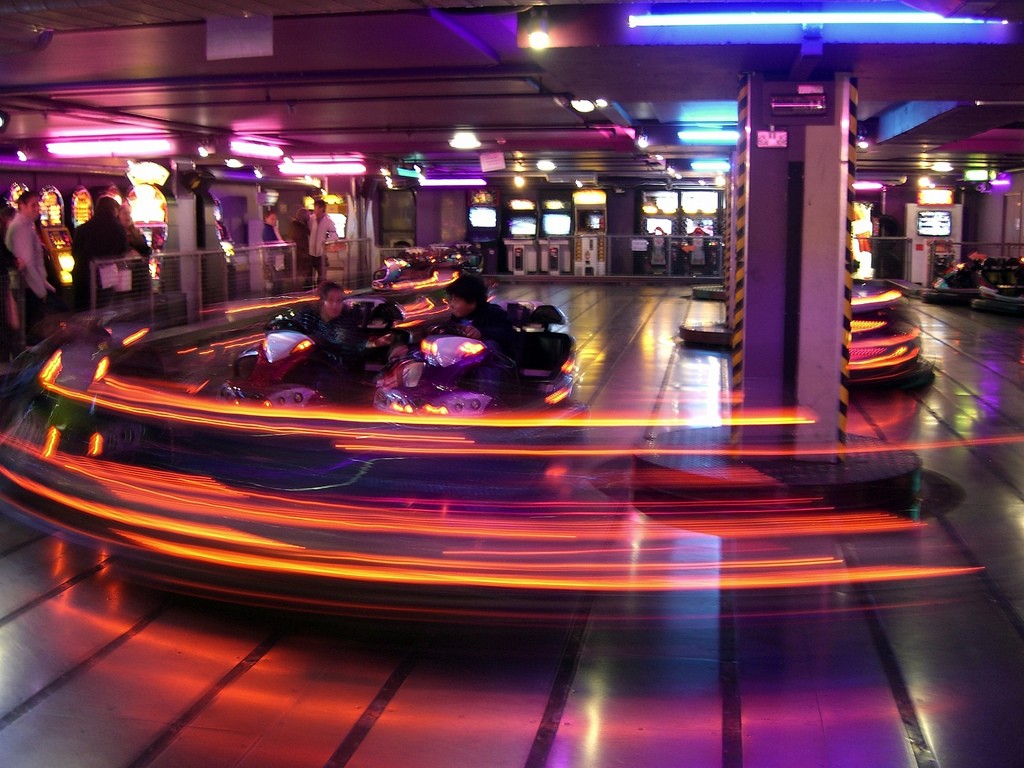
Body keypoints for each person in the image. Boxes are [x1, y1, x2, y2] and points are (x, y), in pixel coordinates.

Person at [5, 190, 59, 344]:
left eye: (38, 205)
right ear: (21, 206)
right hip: (25, 287)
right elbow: (27, 263)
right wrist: (41, 290)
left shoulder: (26, 226)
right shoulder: (21, 227)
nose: (37, 209)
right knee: (32, 331)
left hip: (28, 285)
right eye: (32, 205)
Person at [72, 195, 128, 311]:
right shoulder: (119, 229)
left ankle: (84, 328)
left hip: (83, 273)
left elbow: (75, 252)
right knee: (102, 308)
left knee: (83, 310)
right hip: (106, 274)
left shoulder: (82, 228)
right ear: (114, 210)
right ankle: (97, 328)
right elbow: (122, 252)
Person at [0, 206, 21, 358]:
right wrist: (14, 261)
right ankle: (10, 350)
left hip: (3, 276)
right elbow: (4, 255)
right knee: (7, 315)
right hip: (1, 277)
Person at [308, 199, 338, 286]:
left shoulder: (328, 221)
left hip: (321, 253)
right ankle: (310, 293)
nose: (314, 209)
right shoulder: (311, 219)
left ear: (321, 208)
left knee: (322, 276)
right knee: (309, 276)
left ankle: (321, 293)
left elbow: (334, 235)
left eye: (316, 207)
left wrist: (325, 242)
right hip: (310, 252)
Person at [289, 207, 312, 289]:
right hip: (302, 256)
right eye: (308, 215)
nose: (310, 216)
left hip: (304, 255)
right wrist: (306, 254)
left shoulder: (300, 227)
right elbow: (301, 243)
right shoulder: (299, 228)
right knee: (303, 277)